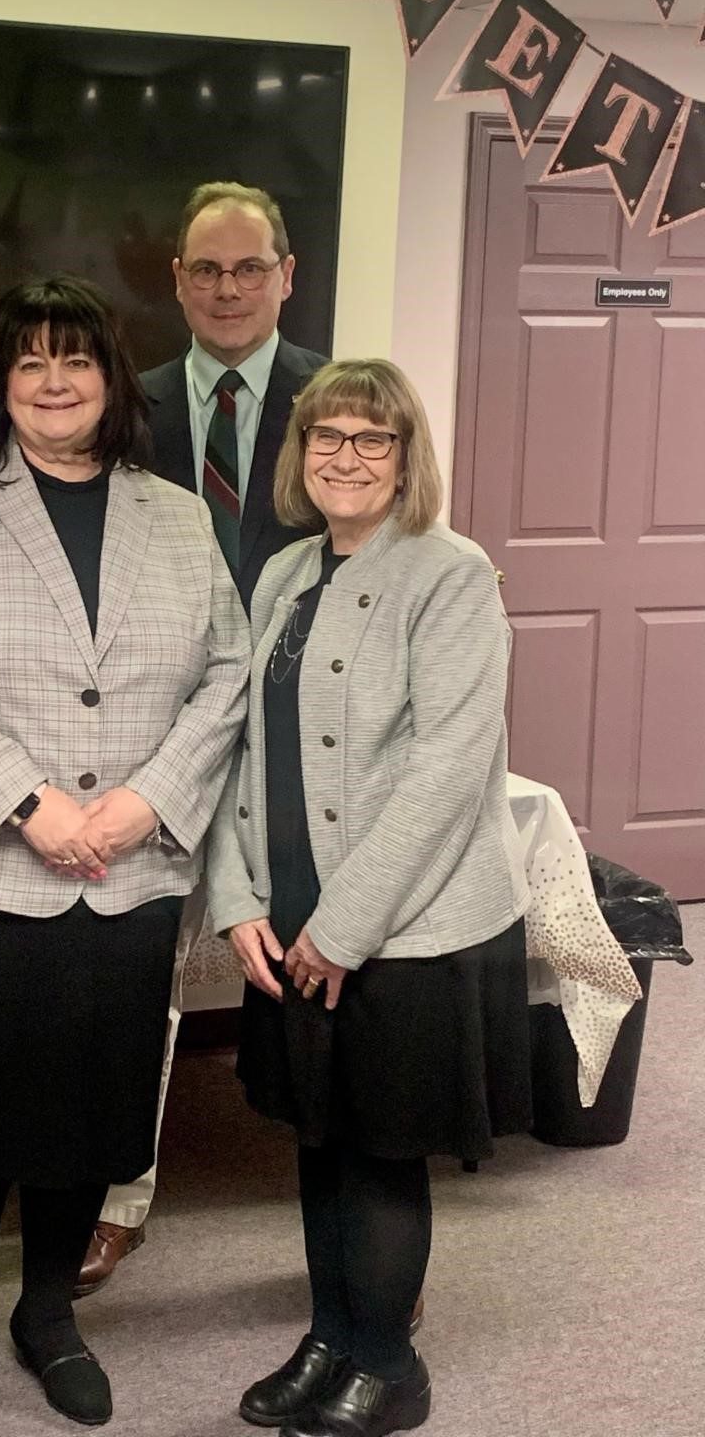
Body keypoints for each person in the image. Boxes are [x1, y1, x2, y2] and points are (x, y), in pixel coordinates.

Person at [0, 274, 247, 1429]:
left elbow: (228, 669)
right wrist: (31, 804)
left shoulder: (176, 511)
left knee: (97, 1104)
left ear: (109, 378)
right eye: (28, 361)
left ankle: (45, 1311)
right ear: (0, 379)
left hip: (131, 867)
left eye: (74, 360)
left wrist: (145, 802)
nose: (52, 381)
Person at [209, 359, 532, 1437]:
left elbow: (448, 766)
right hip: (288, 906)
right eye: (326, 436)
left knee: (382, 1145)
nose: (345, 456)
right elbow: (241, 749)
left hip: (404, 921)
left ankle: (388, 1361)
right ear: (301, 454)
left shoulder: (450, 574)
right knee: (319, 1132)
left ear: (406, 459)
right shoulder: (284, 571)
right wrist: (239, 895)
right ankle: (331, 1333)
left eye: (371, 439)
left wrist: (343, 928)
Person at [78, 181, 326, 1296]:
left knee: (326, 987)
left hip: (301, 751)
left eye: (249, 267)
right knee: (128, 986)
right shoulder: (124, 406)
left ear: (285, 274)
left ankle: (367, 1236)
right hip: (151, 743)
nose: (228, 287)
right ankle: (114, 1200)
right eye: (205, 269)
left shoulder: (339, 404)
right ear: (175, 281)